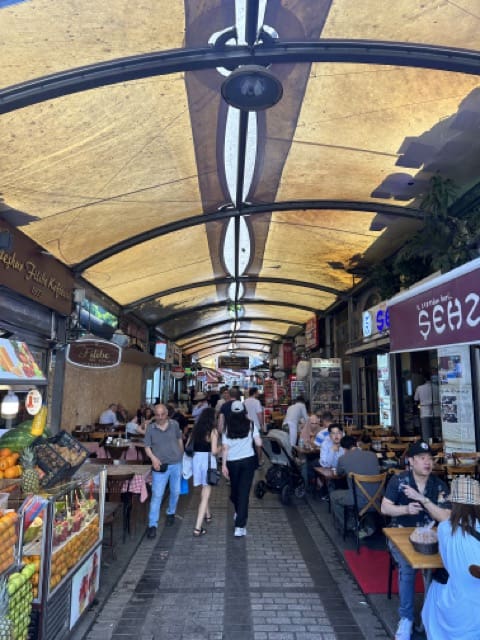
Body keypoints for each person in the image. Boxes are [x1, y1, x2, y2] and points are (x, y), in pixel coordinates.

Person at [381, 441, 450, 640]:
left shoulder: (438, 484)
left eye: (430, 459)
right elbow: (385, 508)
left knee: (443, 567)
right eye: (421, 458)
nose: (427, 463)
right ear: (411, 461)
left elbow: (445, 516)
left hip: (431, 538)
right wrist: (405, 509)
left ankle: (430, 616)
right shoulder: (399, 480)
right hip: (400, 533)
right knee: (407, 567)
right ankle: (407, 618)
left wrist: (423, 500)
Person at [422, 476, 480, 640]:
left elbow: (447, 563)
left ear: (453, 503)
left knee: (438, 581)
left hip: (456, 609)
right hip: (475, 610)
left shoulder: (445, 528)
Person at [221, 400, 262, 537]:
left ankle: (240, 523)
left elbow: (225, 448)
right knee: (241, 493)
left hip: (232, 462)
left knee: (237, 491)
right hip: (248, 461)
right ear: (244, 411)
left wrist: (224, 464)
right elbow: (259, 443)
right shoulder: (250, 424)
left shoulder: (227, 427)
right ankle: (240, 517)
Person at [144, 403, 184, 539]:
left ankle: (171, 512)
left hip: (176, 464)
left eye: (163, 414)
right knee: (157, 495)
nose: (160, 417)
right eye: (157, 415)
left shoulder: (174, 425)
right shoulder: (150, 428)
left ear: (167, 414)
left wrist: (181, 454)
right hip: (159, 466)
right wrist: (153, 459)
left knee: (176, 491)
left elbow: (179, 439)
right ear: (154, 415)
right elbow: (147, 447)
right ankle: (152, 525)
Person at [329, 435, 380, 537]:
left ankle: (349, 525)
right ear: (356, 444)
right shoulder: (372, 455)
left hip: (358, 500)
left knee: (334, 495)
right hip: (377, 500)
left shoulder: (343, 458)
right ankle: (369, 525)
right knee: (368, 489)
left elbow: (339, 473)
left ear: (344, 449)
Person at [189, 407, 219, 536]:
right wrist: (221, 448)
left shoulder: (195, 430)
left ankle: (208, 515)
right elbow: (213, 451)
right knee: (206, 494)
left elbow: (187, 446)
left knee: (203, 489)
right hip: (207, 461)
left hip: (196, 461)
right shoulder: (213, 431)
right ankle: (197, 528)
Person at [414, 374, 434, 441]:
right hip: (436, 411)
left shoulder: (420, 388)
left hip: (424, 412)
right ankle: (437, 445)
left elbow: (416, 399)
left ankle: (427, 446)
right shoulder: (436, 387)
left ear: (424, 379)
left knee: (426, 432)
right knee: (436, 431)